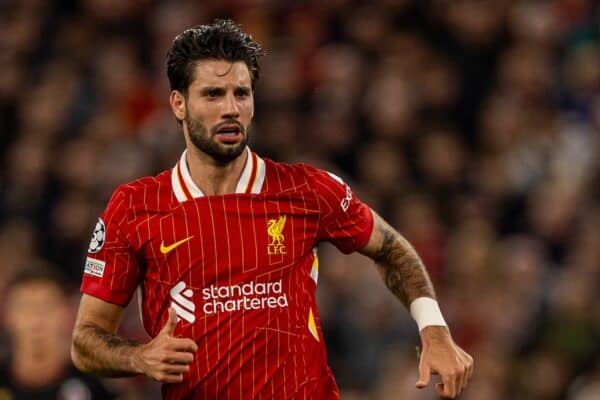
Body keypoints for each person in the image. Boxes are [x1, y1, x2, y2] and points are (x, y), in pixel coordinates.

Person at [71, 19, 473, 399]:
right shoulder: (135, 206)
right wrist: (139, 357)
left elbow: (391, 249)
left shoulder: (306, 189)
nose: (231, 108)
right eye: (213, 94)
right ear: (179, 104)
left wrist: (433, 328)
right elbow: (85, 341)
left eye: (241, 94)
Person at [0, 263, 116, 400]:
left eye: (47, 306)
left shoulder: (93, 388)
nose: (37, 319)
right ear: (7, 316)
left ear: (66, 315)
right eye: (25, 306)